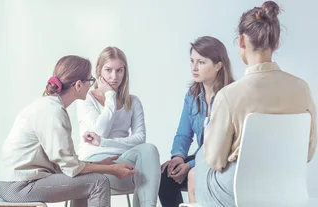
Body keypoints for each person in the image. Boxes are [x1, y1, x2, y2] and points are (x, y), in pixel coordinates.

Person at [195, 1, 317, 206]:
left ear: (241, 41)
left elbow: (215, 161)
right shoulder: (301, 88)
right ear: (276, 43)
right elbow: (309, 151)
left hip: (239, 191)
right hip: (287, 186)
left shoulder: (229, 95)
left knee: (201, 157)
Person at [0, 55, 137, 207]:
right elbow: (71, 167)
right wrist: (111, 169)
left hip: (15, 181)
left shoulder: (50, 106)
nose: (92, 85)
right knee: (98, 183)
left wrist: (98, 163)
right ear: (78, 85)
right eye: (90, 80)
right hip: (18, 185)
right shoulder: (53, 112)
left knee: (88, 180)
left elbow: (66, 163)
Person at [76, 46, 160, 207]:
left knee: (149, 149)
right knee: (143, 172)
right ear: (99, 70)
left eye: (119, 71)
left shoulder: (133, 101)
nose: (114, 77)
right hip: (96, 164)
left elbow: (140, 139)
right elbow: (101, 130)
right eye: (108, 70)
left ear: (125, 72)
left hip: (126, 163)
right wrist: (110, 96)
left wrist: (104, 142)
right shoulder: (86, 99)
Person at [158, 36, 235, 207]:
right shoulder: (192, 96)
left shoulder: (231, 95)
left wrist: (192, 164)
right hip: (202, 155)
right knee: (165, 175)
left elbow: (225, 145)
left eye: (201, 62)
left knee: (194, 172)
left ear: (218, 65)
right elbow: (183, 134)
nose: (194, 67)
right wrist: (178, 157)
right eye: (192, 61)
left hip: (223, 159)